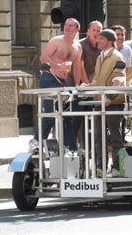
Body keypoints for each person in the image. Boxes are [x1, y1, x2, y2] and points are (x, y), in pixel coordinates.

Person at [33, 18, 82, 147]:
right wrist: (57, 66)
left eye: (71, 26)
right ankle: (36, 145)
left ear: (77, 29)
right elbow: (43, 57)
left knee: (66, 116)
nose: (67, 27)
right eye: (66, 24)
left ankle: (70, 148)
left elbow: (77, 67)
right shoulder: (56, 41)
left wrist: (76, 86)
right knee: (50, 115)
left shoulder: (77, 46)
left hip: (64, 83)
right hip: (49, 79)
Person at [87, 29, 126, 177]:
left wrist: (109, 97)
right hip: (99, 101)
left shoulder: (117, 56)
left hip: (113, 103)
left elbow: (119, 79)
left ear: (109, 41)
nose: (98, 40)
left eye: (101, 39)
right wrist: (89, 85)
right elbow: (98, 79)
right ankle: (100, 168)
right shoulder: (100, 57)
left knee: (115, 136)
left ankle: (117, 168)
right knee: (98, 136)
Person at [71, 20, 103, 151]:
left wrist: (94, 84)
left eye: (99, 30)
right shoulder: (80, 45)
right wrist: (88, 85)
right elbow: (80, 67)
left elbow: (100, 70)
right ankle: (73, 148)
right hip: (80, 87)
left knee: (93, 120)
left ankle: (90, 149)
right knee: (77, 120)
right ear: (88, 31)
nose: (96, 33)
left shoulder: (102, 46)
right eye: (93, 30)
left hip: (94, 88)